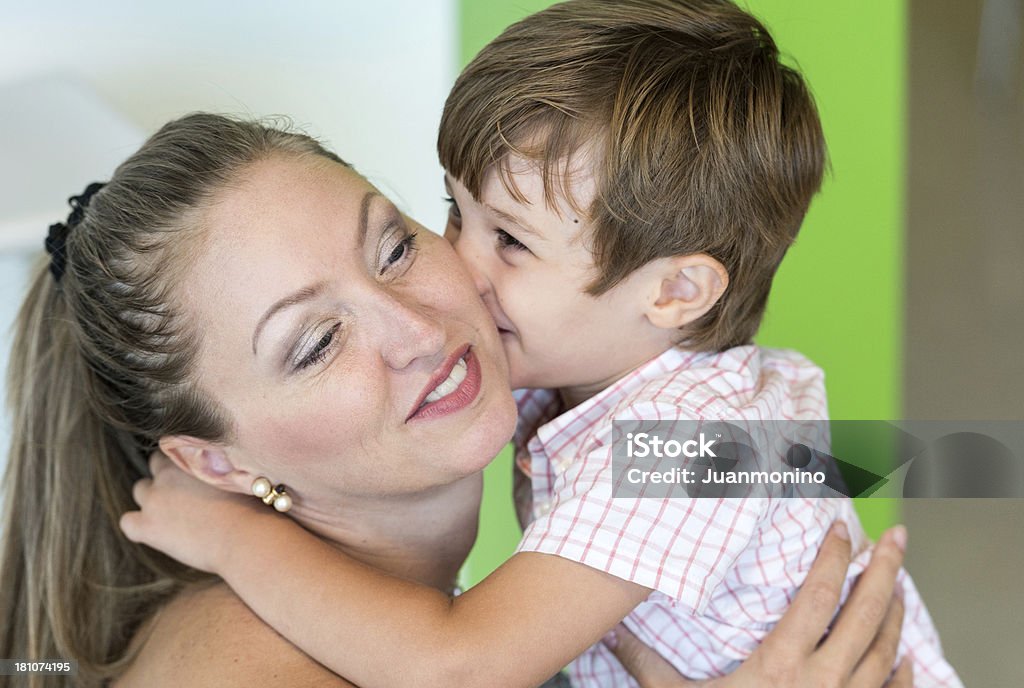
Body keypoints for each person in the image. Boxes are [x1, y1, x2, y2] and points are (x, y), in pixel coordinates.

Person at [117, 3, 953, 688]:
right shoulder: (596, 374)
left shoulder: (678, 447)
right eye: (451, 215)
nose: (458, 275)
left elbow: (459, 664)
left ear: (673, 292)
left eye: (510, 242)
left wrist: (235, 535)